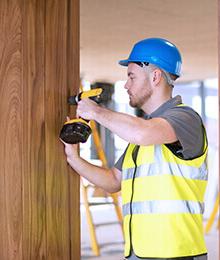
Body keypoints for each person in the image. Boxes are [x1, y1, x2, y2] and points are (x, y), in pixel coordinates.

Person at [62, 38, 208, 260]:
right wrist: (73, 157)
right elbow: (112, 181)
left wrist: (97, 112)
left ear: (155, 76)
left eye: (131, 76)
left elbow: (143, 132)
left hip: (178, 253)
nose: (126, 85)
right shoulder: (140, 139)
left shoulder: (185, 118)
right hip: (139, 253)